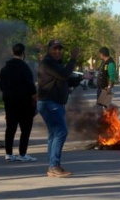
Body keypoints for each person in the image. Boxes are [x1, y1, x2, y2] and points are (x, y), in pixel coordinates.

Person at [37, 39, 86, 178]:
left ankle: (53, 166)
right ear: (49, 49)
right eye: (55, 48)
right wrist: (73, 58)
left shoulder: (55, 64)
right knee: (61, 132)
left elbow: (66, 79)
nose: (58, 51)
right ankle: (54, 166)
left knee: (54, 134)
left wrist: (82, 77)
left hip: (54, 103)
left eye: (60, 49)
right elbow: (64, 75)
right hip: (49, 103)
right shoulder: (47, 63)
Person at [0, 43, 37, 162]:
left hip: (9, 102)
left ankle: (9, 153)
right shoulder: (25, 68)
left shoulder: (5, 68)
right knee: (25, 129)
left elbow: (1, 85)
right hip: (24, 103)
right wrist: (34, 98)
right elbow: (30, 86)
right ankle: (22, 153)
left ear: (13, 52)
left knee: (10, 128)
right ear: (23, 53)